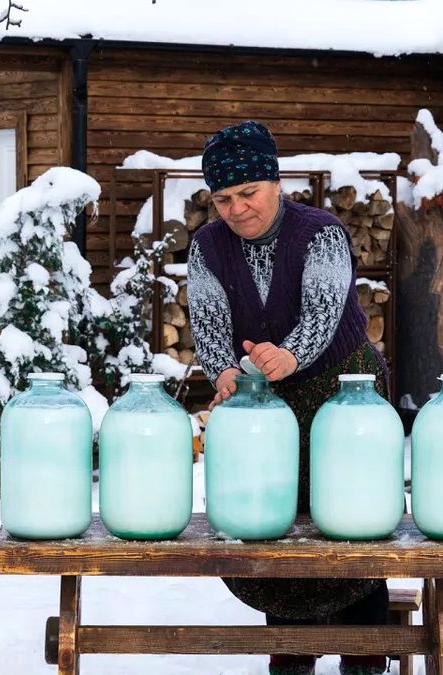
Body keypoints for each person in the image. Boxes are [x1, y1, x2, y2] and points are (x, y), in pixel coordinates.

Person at [187, 120, 392, 675]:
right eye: (223, 198)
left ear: (275, 182)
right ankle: (292, 650)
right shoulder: (207, 247)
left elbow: (324, 312)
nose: (236, 209)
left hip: (346, 390)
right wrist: (225, 370)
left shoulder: (320, 231)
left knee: (351, 510)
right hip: (262, 397)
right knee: (274, 509)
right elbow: (208, 322)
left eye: (247, 193)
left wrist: (289, 355)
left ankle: (366, 649)